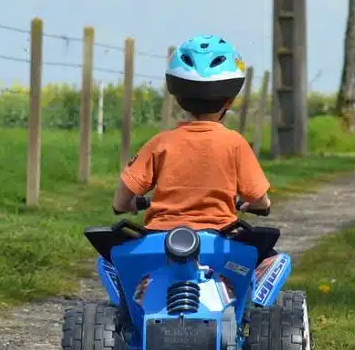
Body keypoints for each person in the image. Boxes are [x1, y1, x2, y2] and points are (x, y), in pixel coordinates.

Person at [112, 33, 272, 230]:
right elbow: (260, 200)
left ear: (178, 98)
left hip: (160, 239)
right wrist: (255, 205)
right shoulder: (235, 144)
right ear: (230, 100)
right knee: (270, 258)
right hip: (217, 240)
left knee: (112, 258)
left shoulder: (160, 143)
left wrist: (126, 204)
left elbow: (121, 199)